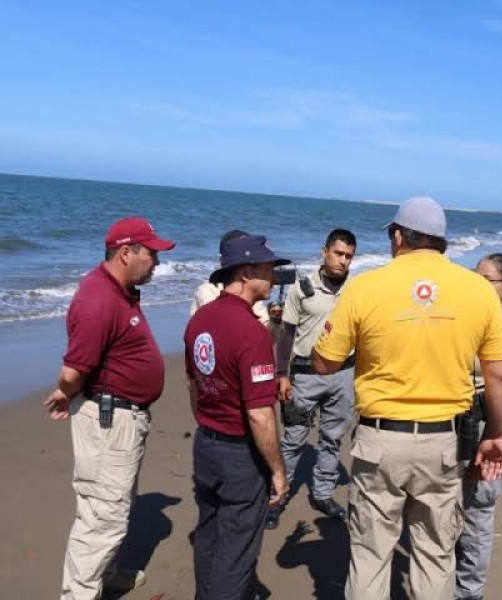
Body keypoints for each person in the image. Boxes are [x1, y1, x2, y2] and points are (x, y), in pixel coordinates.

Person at [310, 196, 502, 600]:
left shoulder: (365, 287)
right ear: (442, 242)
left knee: (370, 555)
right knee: (436, 554)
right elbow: (499, 375)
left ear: (398, 236)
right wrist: (497, 432)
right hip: (444, 442)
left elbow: (323, 364)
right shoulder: (477, 290)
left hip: (379, 442)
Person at [44, 216, 175, 599]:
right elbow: (73, 370)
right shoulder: (98, 298)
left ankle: (107, 573)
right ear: (125, 253)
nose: (157, 262)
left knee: (115, 507)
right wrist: (64, 392)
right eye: (151, 253)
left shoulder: (120, 290)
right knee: (102, 518)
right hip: (108, 420)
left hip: (122, 418)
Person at [184, 233, 290, 599]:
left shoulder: (200, 321)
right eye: (267, 269)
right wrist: (277, 470)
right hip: (239, 454)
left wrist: (207, 422)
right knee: (237, 551)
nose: (273, 277)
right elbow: (260, 413)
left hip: (207, 443)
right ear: (245, 272)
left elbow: (194, 386)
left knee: (209, 535)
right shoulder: (250, 331)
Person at [266, 229, 358, 529]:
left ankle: (322, 494)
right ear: (325, 252)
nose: (343, 261)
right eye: (338, 253)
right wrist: (282, 374)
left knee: (332, 439)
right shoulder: (302, 288)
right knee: (293, 440)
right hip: (305, 375)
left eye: (348, 256)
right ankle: (277, 496)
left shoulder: (357, 289)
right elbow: (287, 335)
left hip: (343, 374)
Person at [455, 253, 502, 600]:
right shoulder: (477, 320)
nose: (476, 283)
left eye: (485, 279)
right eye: (475, 275)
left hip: (492, 431)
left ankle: (469, 591)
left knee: (477, 515)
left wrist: (491, 439)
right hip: (464, 426)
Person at [190, 229, 284, 343]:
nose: (274, 278)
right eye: (268, 269)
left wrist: (275, 321)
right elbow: (225, 334)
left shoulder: (252, 295)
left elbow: (268, 339)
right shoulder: (207, 291)